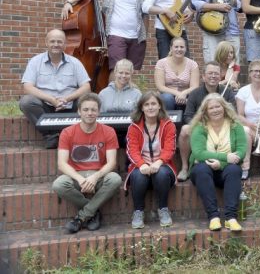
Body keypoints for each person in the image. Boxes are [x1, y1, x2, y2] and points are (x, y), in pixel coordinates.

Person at [51, 93, 121, 234]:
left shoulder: (108, 131)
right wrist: (80, 179)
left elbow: (112, 162)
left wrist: (95, 177)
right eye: (86, 109)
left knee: (115, 179)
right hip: (77, 176)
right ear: (79, 111)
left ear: (99, 111)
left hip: (99, 175)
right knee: (59, 184)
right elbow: (62, 164)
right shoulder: (67, 132)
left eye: (93, 110)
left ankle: (81, 218)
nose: (90, 113)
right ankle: (93, 212)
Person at [61, 0, 147, 71]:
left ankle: (128, 90)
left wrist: (144, 36)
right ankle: (113, 89)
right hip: (116, 35)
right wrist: (69, 2)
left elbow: (145, 15)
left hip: (136, 37)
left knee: (132, 71)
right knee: (117, 70)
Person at [20, 29, 91, 149]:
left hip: (70, 106)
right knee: (26, 102)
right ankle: (50, 136)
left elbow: (86, 87)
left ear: (65, 44)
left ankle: (79, 135)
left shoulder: (75, 62)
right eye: (52, 41)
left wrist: (67, 99)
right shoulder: (35, 62)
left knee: (86, 99)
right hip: (45, 107)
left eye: (59, 41)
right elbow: (27, 87)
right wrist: (51, 99)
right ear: (46, 43)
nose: (56, 44)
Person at [189, 93, 246, 232]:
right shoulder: (199, 127)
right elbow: (199, 153)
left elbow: (241, 150)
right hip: (204, 170)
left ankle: (230, 218)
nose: (215, 110)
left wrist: (221, 164)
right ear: (205, 112)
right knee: (201, 169)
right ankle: (213, 216)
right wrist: (226, 157)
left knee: (234, 170)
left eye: (218, 106)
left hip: (225, 172)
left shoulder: (235, 125)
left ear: (224, 107)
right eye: (211, 108)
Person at [176, 61, 235, 181]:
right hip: (201, 128)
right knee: (185, 129)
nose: (213, 76)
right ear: (203, 76)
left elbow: (233, 114)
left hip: (222, 129)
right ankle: (185, 167)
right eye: (210, 73)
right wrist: (201, 125)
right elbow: (187, 116)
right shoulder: (194, 93)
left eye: (216, 73)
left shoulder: (227, 92)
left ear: (220, 76)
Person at [125, 91, 177, 229]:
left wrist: (159, 162)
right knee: (138, 175)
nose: (150, 107)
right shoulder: (134, 126)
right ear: (141, 108)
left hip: (163, 166)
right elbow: (132, 150)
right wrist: (141, 164)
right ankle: (138, 211)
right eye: (146, 104)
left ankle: (163, 209)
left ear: (160, 106)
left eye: (153, 103)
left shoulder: (168, 124)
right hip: (141, 166)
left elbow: (170, 149)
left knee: (161, 173)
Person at [154, 37, 200, 111]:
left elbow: (195, 86)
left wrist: (183, 93)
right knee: (167, 98)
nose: (179, 49)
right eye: (176, 47)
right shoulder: (161, 63)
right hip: (167, 95)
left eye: (182, 47)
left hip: (186, 94)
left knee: (195, 98)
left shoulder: (193, 64)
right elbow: (160, 87)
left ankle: (188, 121)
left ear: (185, 49)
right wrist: (177, 93)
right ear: (171, 48)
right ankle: (168, 122)